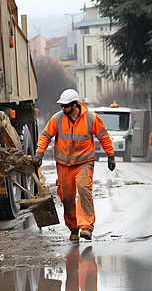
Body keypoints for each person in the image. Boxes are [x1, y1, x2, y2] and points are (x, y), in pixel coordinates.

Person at [32, 89, 115, 241]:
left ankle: (87, 227)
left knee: (84, 190)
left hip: (84, 163)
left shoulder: (91, 118)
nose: (63, 109)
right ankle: (73, 228)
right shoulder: (57, 119)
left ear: (75, 105)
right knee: (67, 197)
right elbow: (45, 136)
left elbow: (103, 136)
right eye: (61, 106)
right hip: (64, 165)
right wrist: (39, 153)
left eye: (66, 106)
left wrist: (111, 155)